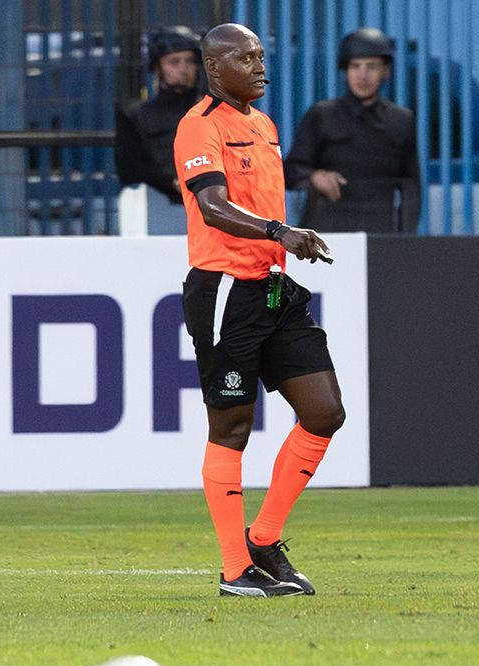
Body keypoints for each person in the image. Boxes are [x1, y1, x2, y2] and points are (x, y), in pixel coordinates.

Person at [173, 23, 344, 597]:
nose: (259, 65)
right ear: (214, 68)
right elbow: (214, 207)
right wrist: (281, 230)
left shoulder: (263, 124)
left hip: (273, 287)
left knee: (324, 412)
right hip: (224, 289)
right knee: (232, 426)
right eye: (245, 58)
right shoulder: (198, 125)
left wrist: (285, 243)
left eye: (261, 55)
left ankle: (263, 540)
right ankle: (233, 570)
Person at [283, 27, 420, 233]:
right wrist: (315, 176)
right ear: (345, 71)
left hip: (381, 231)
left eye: (371, 66)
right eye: (355, 66)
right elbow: (290, 171)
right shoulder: (322, 114)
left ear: (386, 71)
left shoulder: (401, 120)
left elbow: (411, 186)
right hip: (327, 230)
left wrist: (406, 236)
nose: (362, 75)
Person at [116, 26, 205, 205]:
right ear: (157, 67)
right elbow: (130, 169)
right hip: (156, 205)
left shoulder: (212, 110)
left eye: (190, 61)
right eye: (174, 62)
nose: (183, 69)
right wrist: (171, 183)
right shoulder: (134, 115)